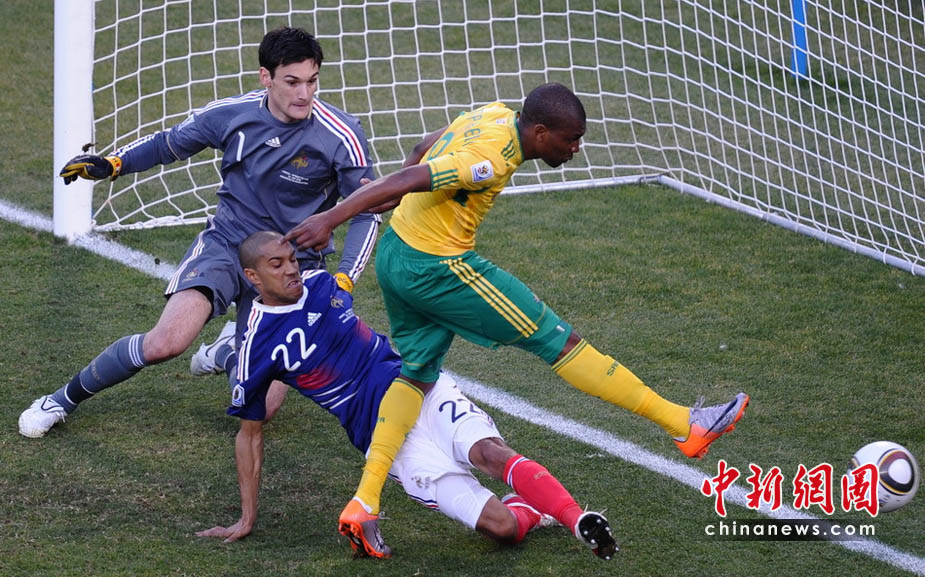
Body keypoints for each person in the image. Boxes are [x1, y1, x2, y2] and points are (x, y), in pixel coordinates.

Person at [281, 82, 750, 550]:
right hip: (436, 266)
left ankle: (364, 501)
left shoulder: (492, 113)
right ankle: (682, 425)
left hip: (396, 254)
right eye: (571, 139)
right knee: (558, 340)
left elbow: (423, 147)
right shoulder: (491, 158)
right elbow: (412, 175)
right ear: (541, 133)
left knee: (417, 373)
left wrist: (398, 199)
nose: (576, 148)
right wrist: (331, 218)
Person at [18, 27, 379, 438]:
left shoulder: (341, 135)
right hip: (228, 244)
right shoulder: (233, 114)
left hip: (291, 267)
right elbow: (170, 144)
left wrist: (345, 278)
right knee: (165, 343)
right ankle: (61, 399)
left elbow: (367, 211)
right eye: (292, 82)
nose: (305, 94)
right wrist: (114, 164)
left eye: (312, 81)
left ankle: (227, 352)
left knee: (260, 409)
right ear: (266, 77)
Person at [195, 230, 618, 561]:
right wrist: (247, 517)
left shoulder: (322, 284)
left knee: (489, 453)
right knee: (503, 528)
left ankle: (575, 518)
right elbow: (249, 435)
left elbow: (366, 227)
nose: (292, 270)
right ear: (253, 277)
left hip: (418, 389)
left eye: (292, 259)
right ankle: (528, 510)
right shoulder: (257, 346)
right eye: (277, 264)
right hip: (383, 441)